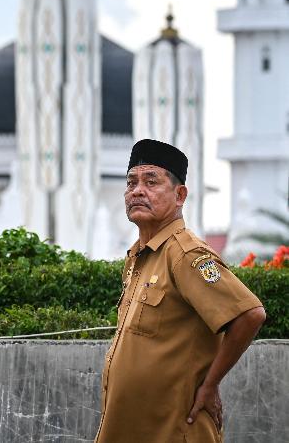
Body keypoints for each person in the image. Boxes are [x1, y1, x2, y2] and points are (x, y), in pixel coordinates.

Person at [94, 139, 266, 442]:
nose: (137, 191)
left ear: (179, 194)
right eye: (131, 182)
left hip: (173, 430)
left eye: (151, 181)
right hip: (134, 430)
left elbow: (249, 315)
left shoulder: (185, 254)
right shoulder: (140, 257)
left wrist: (210, 385)